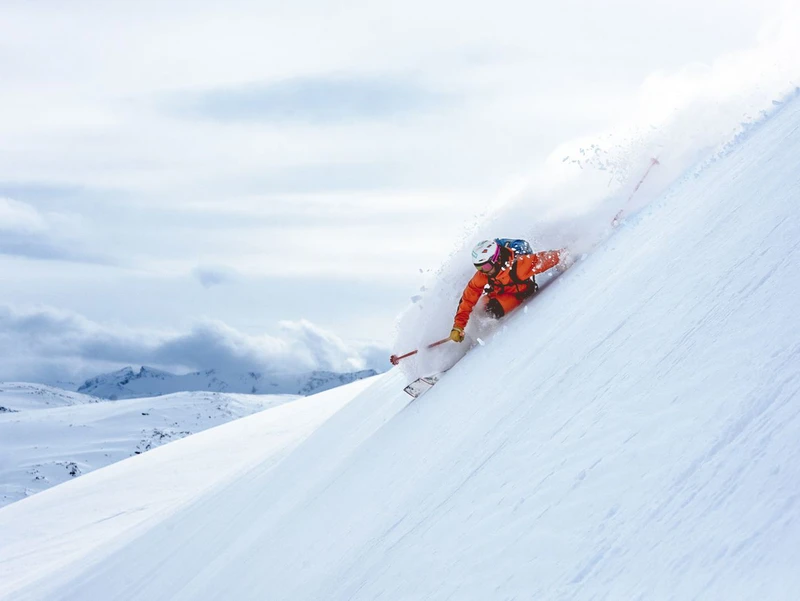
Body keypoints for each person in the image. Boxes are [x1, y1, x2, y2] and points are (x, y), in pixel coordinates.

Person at [449, 239, 564, 343]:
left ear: (496, 259)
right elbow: (469, 297)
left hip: (517, 295)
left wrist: (564, 255)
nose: (483, 271)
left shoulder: (519, 266)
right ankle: (468, 333)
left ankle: (484, 335)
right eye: (479, 268)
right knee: (478, 307)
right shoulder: (484, 274)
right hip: (498, 293)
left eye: (486, 267)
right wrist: (458, 326)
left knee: (492, 309)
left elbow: (545, 259)